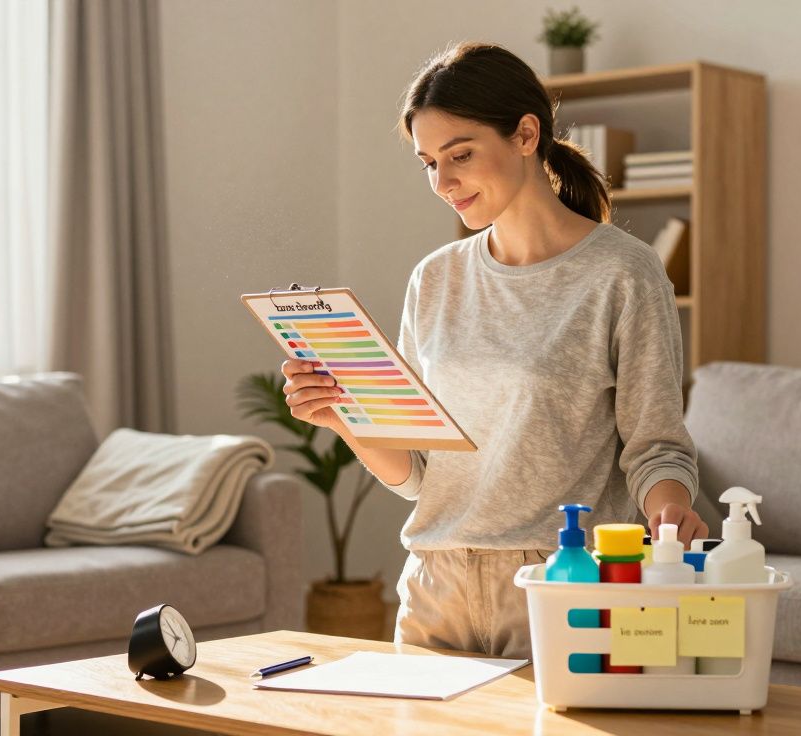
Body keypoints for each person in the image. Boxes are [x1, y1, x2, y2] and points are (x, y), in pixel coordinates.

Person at [279, 41, 704, 659]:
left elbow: (655, 446)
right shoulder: (435, 278)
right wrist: (341, 415)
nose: (442, 182)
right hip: (435, 587)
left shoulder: (623, 274)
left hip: (560, 582)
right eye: (429, 163)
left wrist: (669, 513)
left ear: (526, 134)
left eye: (461, 155)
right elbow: (416, 474)